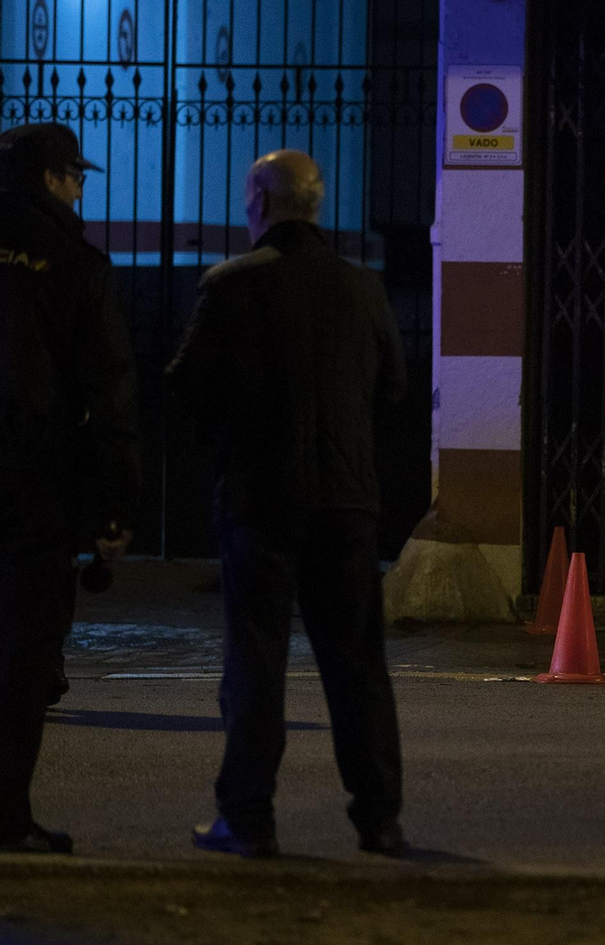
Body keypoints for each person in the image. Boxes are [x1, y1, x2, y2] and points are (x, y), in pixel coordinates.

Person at [167, 149, 408, 858]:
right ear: (316, 204)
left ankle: (248, 816)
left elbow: (186, 388)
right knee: (356, 663)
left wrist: (231, 432)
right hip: (346, 501)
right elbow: (392, 386)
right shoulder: (361, 289)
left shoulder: (232, 285)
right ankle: (379, 817)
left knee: (257, 660)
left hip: (261, 500)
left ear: (260, 203)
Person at [0, 123, 140, 854]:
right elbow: (108, 390)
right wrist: (115, 505)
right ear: (53, 176)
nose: (82, 187)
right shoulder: (76, 263)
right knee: (24, 649)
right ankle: (7, 811)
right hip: (31, 481)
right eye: (77, 175)